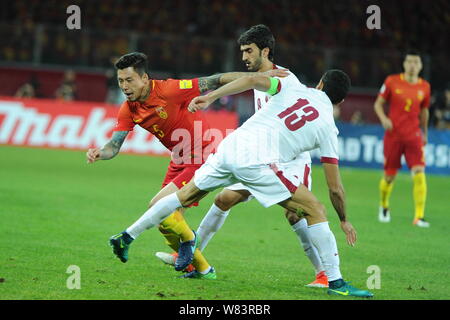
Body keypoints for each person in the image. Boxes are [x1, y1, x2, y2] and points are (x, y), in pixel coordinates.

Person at [109, 69, 374, 298]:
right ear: (340, 100)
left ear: (320, 85)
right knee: (315, 209)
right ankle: (336, 282)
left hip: (230, 146)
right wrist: (344, 219)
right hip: (258, 161)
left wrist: (212, 96)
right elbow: (335, 187)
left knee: (184, 195)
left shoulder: (292, 84)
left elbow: (252, 82)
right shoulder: (328, 126)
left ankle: (127, 236)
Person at [155, 24, 328, 287]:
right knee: (223, 199)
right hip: (262, 157)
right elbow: (241, 80)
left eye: (249, 51)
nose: (244, 57)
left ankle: (324, 273)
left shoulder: (284, 79)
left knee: (296, 214)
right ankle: (187, 254)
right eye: (242, 51)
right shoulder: (260, 78)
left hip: (291, 159)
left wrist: (210, 95)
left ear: (266, 51)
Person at [87, 52, 287, 278]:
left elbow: (216, 79)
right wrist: (100, 153)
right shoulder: (129, 109)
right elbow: (114, 145)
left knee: (158, 205)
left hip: (202, 156)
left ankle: (189, 240)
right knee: (165, 222)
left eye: (129, 80)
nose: (124, 86)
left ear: (145, 79)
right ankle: (202, 269)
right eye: (121, 81)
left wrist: (261, 76)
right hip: (179, 159)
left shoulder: (170, 90)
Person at [374, 50, 431, 227]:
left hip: (414, 135)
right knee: (390, 177)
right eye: (410, 62)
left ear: (421, 66)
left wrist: (425, 133)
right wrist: (384, 119)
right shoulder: (392, 81)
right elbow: (378, 104)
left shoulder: (425, 87)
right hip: (394, 136)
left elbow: (424, 111)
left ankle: (419, 217)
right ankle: (384, 205)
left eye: (416, 62)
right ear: (404, 64)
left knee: (419, 173)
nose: (412, 65)